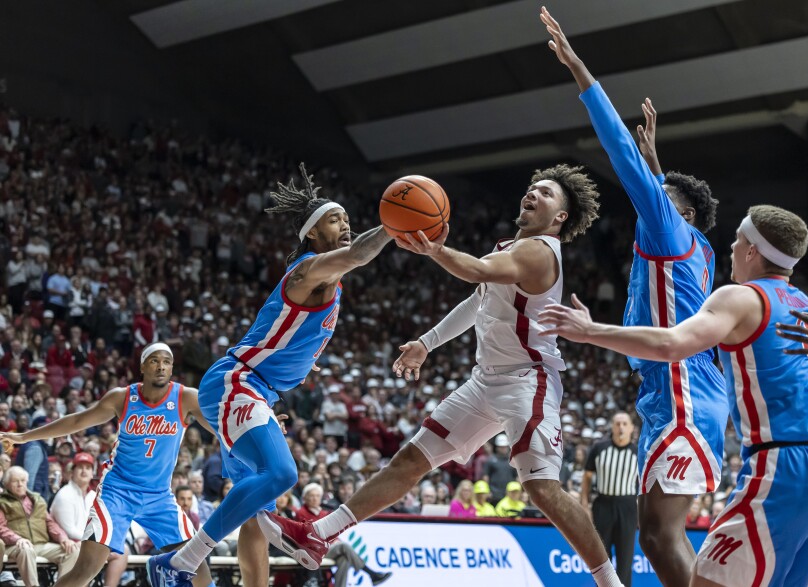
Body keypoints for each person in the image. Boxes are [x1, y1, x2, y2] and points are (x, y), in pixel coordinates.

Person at [263, 163, 624, 586]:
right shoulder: (510, 246)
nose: (532, 193)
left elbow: (477, 270)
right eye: (532, 188)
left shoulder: (540, 250)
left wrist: (435, 250)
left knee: (542, 489)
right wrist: (427, 342)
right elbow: (479, 298)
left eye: (545, 193)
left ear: (560, 217)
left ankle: (609, 583)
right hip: (484, 381)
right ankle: (318, 535)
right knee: (411, 460)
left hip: (529, 380)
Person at [539, 204, 808, 586]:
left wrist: (590, 332)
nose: (732, 249)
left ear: (752, 251)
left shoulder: (741, 297)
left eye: (737, 241)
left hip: (784, 467)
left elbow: (673, 343)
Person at [539, 8, 728, 586]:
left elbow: (619, 154)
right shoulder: (693, 247)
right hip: (670, 392)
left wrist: (578, 70)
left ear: (682, 212)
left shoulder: (673, 232)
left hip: (683, 393)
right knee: (655, 534)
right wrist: (657, 165)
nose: (649, 199)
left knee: (659, 535)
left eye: (659, 194)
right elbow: (658, 195)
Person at [149, 164, 393, 586]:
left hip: (254, 390)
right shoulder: (308, 269)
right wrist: (394, 226)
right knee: (282, 475)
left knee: (256, 508)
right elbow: (356, 256)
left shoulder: (326, 281)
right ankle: (178, 564)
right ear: (312, 234)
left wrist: (295, 368)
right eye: (336, 219)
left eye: (347, 219)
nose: (347, 225)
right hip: (237, 382)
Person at [0, 343, 214, 587]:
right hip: (118, 492)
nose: (161, 366)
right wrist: (23, 436)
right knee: (87, 569)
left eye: (166, 361)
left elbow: (221, 429)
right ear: (142, 366)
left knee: (197, 565)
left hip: (159, 496)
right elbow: (77, 420)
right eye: (154, 361)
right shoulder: (123, 397)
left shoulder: (186, 398)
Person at [49, 452, 128, 587]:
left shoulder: (94, 495)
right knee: (89, 555)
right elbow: (69, 530)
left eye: (88, 467)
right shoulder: (64, 494)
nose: (84, 471)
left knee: (123, 549)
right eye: (80, 467)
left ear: (93, 473)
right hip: (69, 543)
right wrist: (95, 542)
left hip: (87, 542)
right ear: (71, 472)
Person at [295, 483, 391, 586]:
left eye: (317, 496)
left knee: (344, 559)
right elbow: (306, 535)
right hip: (313, 551)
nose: (315, 498)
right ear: (305, 498)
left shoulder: (325, 513)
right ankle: (371, 574)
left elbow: (333, 533)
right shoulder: (301, 513)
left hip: (327, 549)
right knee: (343, 547)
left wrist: (334, 541)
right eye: (311, 495)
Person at [583, 412, 639, 587]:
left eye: (624, 423)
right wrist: (585, 504)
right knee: (601, 560)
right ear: (612, 427)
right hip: (603, 505)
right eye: (617, 423)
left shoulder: (639, 452)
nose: (621, 427)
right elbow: (587, 476)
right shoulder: (599, 448)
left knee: (625, 560)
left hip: (628, 507)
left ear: (631, 428)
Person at [0, 466, 79, 587]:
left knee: (72, 550)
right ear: (6, 484)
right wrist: (18, 539)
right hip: (15, 546)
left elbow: (50, 523)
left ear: (27, 481)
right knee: (26, 549)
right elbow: (1, 528)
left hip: (41, 545)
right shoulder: (2, 502)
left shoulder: (37, 500)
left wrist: (63, 538)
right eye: (15, 481)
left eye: (22, 480)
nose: (20, 484)